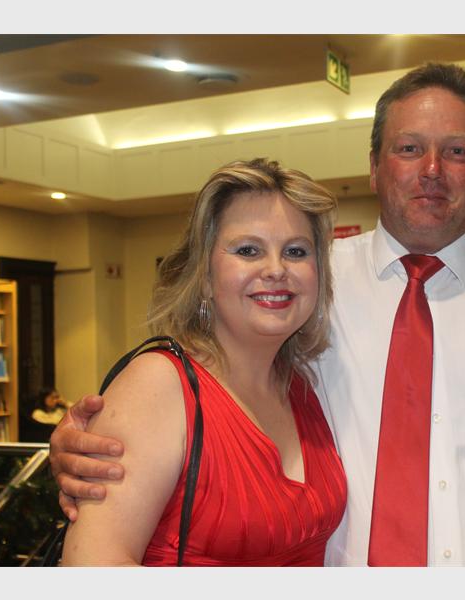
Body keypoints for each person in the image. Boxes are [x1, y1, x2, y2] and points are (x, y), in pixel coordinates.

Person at [50, 63, 465, 566]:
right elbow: (196, 402)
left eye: (457, 151)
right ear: (374, 166)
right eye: (409, 148)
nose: (432, 168)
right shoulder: (311, 285)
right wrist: (92, 445)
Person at [59, 158, 346, 566]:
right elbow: (91, 568)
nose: (276, 269)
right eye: (248, 250)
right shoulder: (158, 385)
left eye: (295, 251)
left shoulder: (304, 385)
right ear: (205, 277)